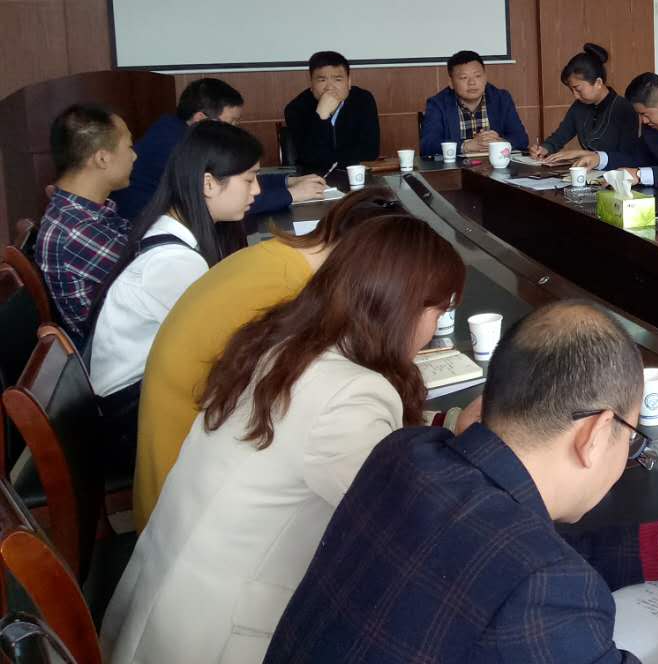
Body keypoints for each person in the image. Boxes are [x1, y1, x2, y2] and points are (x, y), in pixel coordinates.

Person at [267, 301, 658, 664]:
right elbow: (522, 575)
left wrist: (651, 553)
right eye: (631, 437)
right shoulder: (544, 590)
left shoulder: (407, 454)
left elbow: (494, 562)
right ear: (595, 434)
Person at [101, 215, 476, 664]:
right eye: (438, 312)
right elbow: (407, 523)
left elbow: (351, 447)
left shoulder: (281, 344)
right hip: (222, 639)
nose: (434, 329)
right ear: (401, 307)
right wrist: (476, 448)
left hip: (166, 604)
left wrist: (443, 425)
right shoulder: (352, 394)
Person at [132, 187, 400, 530]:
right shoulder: (288, 287)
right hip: (183, 494)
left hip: (190, 457)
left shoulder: (281, 256)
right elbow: (309, 403)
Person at [88, 122, 262, 470]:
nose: (257, 190)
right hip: (130, 417)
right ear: (208, 184)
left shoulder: (174, 230)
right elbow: (223, 350)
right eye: (249, 179)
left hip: (141, 395)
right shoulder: (174, 262)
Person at [113, 78, 325, 220]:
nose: (235, 130)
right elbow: (223, 199)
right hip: (145, 232)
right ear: (200, 119)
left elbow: (229, 180)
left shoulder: (180, 132)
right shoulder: (175, 147)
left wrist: (287, 181)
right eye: (231, 122)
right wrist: (292, 194)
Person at [34, 103, 137, 346]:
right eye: (129, 146)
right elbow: (152, 274)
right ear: (102, 158)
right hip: (117, 352)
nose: (134, 156)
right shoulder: (75, 229)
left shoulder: (80, 212)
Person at [530, 43, 641, 160]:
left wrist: (581, 154)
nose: (575, 95)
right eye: (571, 90)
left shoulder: (624, 109)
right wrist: (545, 148)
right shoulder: (579, 106)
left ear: (598, 83)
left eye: (578, 89)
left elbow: (626, 156)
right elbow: (561, 135)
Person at [282, 51, 380, 174]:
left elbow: (370, 153)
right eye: (322, 80)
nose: (329, 87)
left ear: (349, 82)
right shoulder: (296, 109)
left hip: (355, 176)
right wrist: (321, 114)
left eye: (337, 79)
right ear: (311, 83)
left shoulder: (363, 100)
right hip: (313, 178)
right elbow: (310, 158)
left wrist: (330, 158)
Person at [421, 50, 529, 156]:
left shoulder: (501, 99)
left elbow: (521, 138)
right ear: (451, 83)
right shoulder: (437, 104)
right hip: (457, 166)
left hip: (495, 164)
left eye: (477, 76)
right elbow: (428, 145)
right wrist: (466, 146)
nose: (472, 83)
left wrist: (500, 142)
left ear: (485, 78)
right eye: (464, 77)